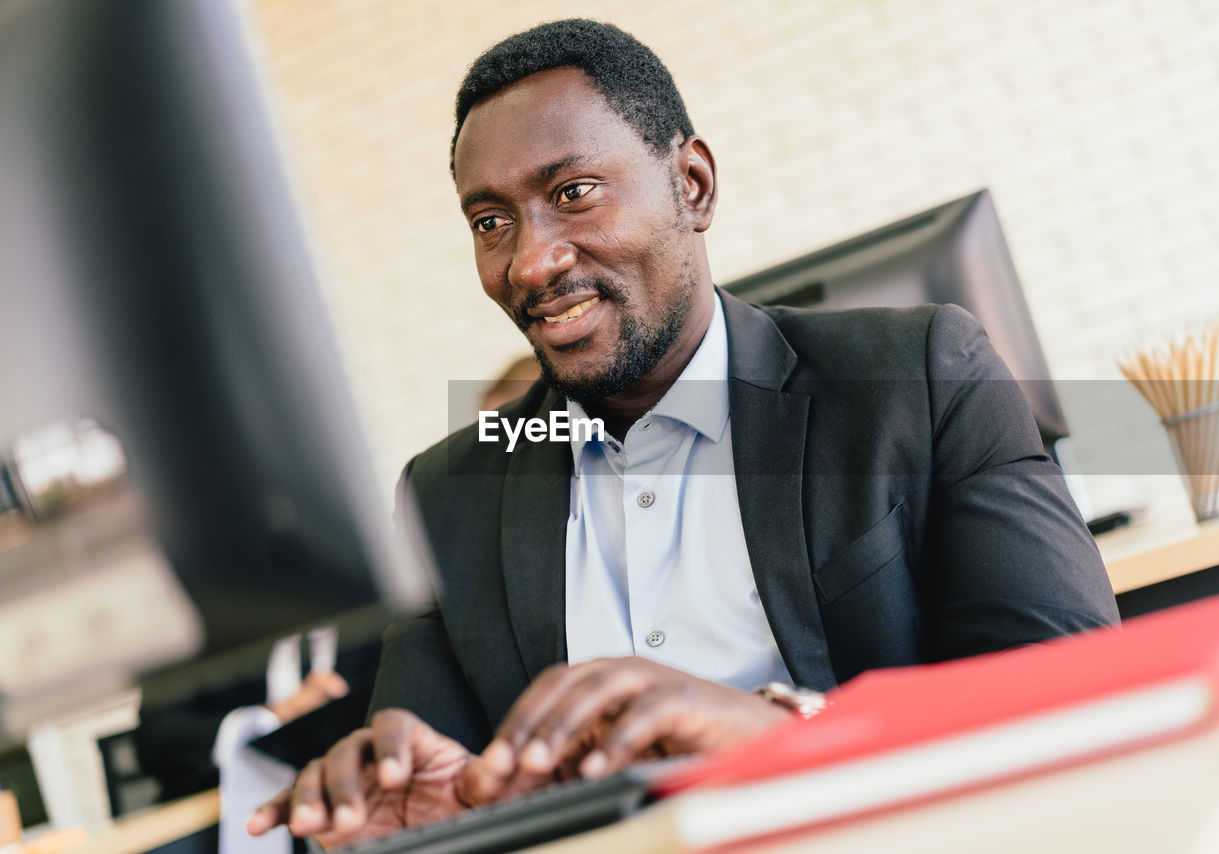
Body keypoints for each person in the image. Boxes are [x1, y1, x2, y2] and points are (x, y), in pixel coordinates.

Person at [249, 18, 1119, 848]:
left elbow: (1070, 694)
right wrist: (419, 827)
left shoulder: (918, 379)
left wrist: (783, 733)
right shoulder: (447, 495)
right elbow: (439, 788)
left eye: (572, 194)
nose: (530, 261)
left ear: (692, 185)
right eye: (490, 222)